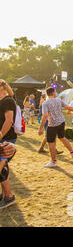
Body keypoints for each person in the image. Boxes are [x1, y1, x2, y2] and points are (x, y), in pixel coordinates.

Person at [38, 87, 73, 167]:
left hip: (52, 124)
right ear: (53, 93)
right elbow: (68, 107)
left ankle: (53, 161)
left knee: (51, 142)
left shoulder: (45, 103)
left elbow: (45, 116)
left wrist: (41, 128)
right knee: (62, 137)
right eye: (55, 92)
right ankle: (72, 153)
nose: (56, 93)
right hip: (61, 122)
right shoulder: (59, 100)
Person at [0, 79, 18, 208]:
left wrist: (0, 135)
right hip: (3, 139)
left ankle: (9, 197)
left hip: (7, 140)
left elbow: (9, 121)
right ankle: (6, 196)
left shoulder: (8, 101)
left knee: (2, 167)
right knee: (3, 167)